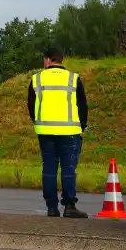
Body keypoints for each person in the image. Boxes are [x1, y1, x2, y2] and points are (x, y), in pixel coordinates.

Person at [28, 48, 88, 218]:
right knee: (68, 169)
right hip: (70, 131)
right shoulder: (73, 78)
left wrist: (39, 122)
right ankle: (69, 206)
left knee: (49, 169)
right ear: (61, 60)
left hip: (45, 131)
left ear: (47, 60)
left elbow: (31, 106)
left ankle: (51, 208)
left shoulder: (36, 79)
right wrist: (82, 127)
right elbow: (82, 106)